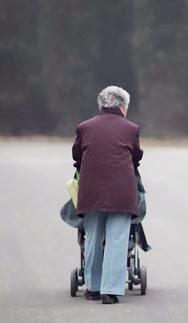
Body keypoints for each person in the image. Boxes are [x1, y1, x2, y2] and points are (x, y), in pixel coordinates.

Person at [72, 85, 143, 304]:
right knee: (117, 239)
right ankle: (110, 291)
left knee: (93, 238)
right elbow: (136, 156)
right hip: (122, 192)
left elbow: (76, 155)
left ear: (101, 105)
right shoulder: (131, 129)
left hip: (91, 192)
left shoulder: (84, 127)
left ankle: (93, 287)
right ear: (123, 107)